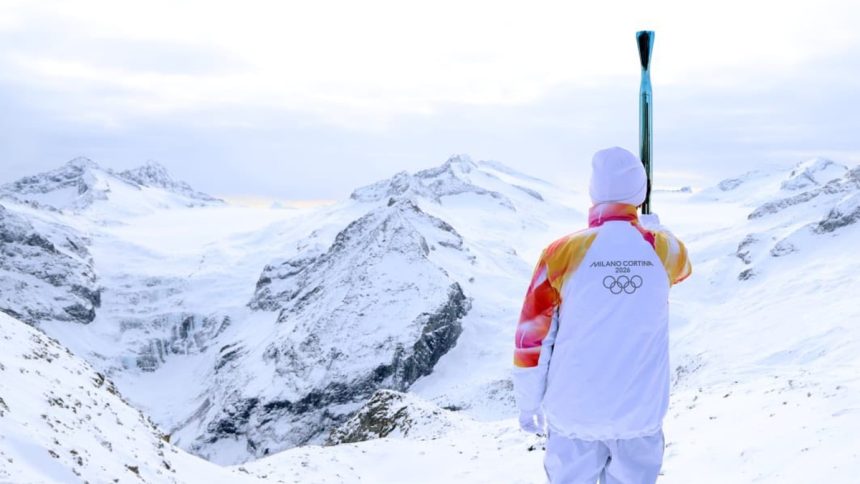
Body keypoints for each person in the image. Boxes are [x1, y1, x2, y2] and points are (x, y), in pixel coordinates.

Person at [512, 146, 692, 484]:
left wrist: (528, 402)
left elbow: (531, 338)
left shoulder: (560, 253)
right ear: (641, 193)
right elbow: (682, 269)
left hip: (573, 413)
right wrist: (652, 230)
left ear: (594, 192)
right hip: (639, 414)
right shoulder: (666, 250)